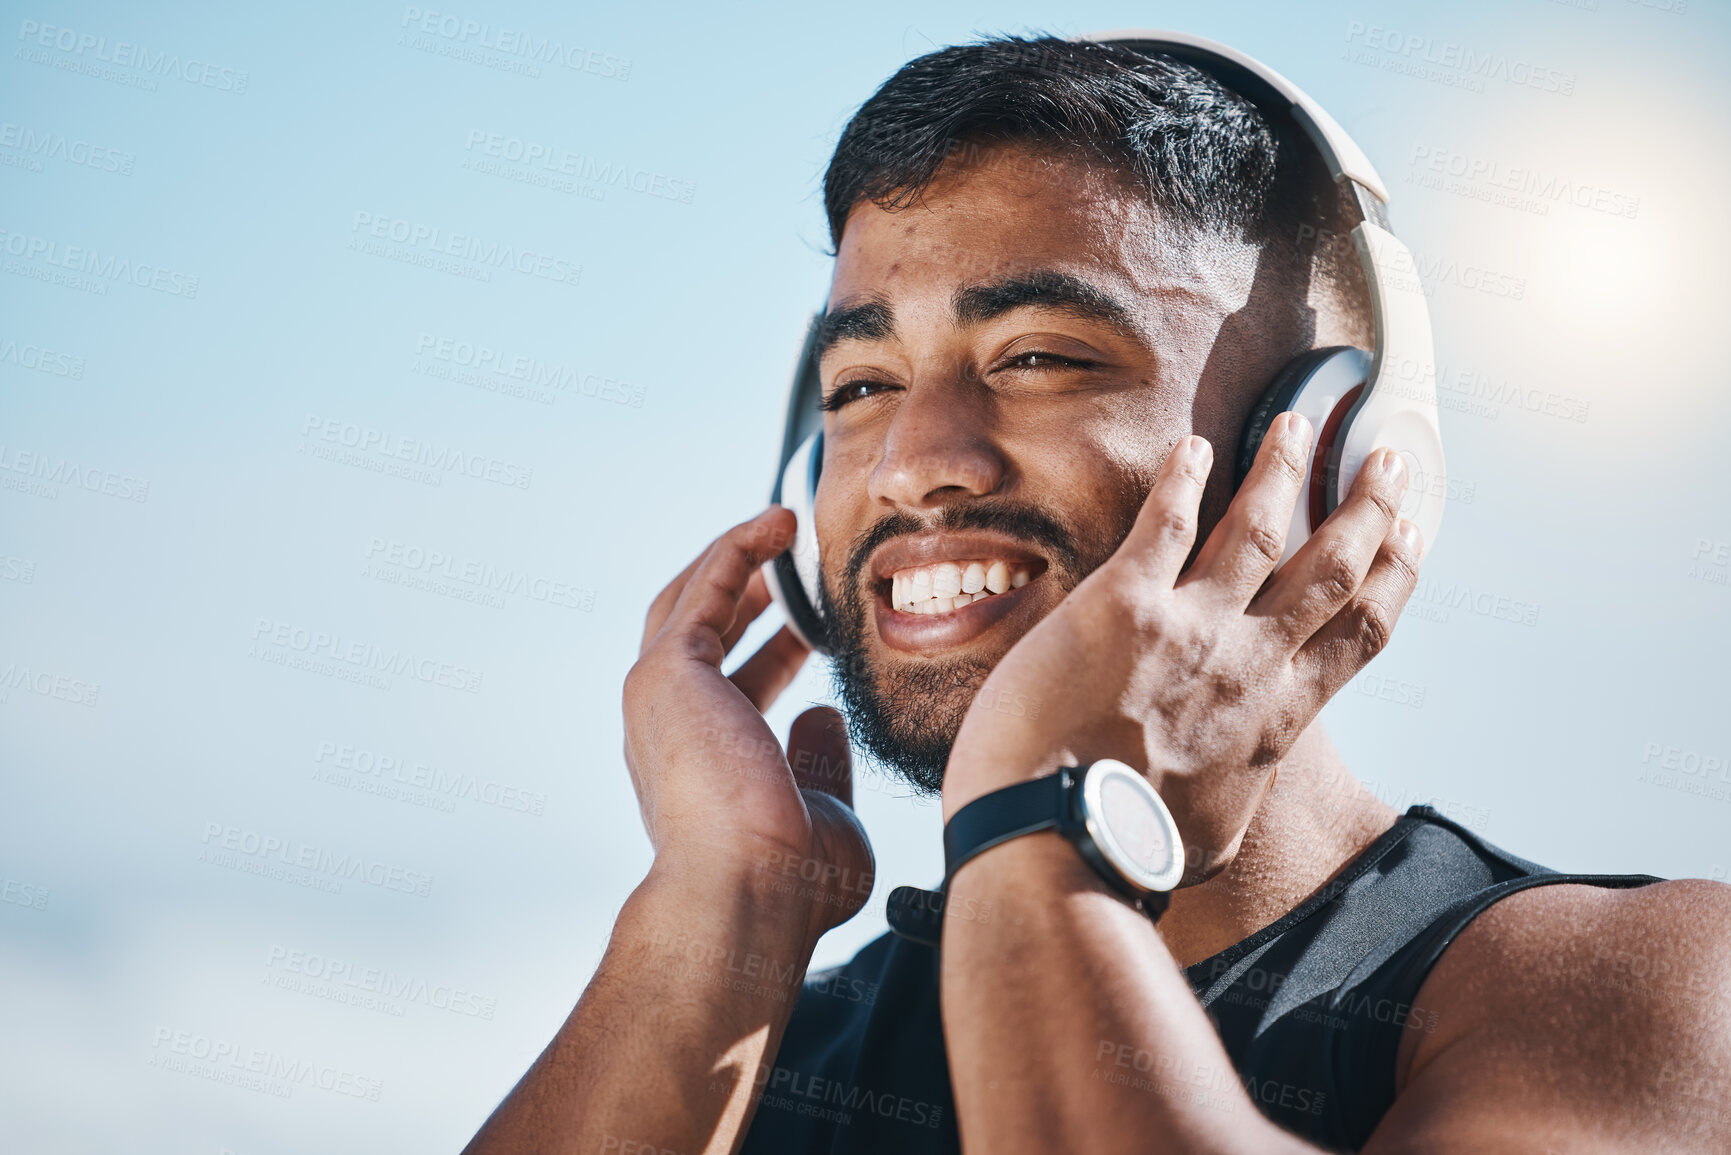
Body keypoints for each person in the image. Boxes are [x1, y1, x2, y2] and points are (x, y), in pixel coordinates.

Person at [464, 36, 1731, 1154]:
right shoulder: (744, 1055)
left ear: (1326, 452)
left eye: (1036, 358)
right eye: (861, 386)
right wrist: (724, 901)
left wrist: (1045, 827)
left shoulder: (1630, 986)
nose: (912, 464)